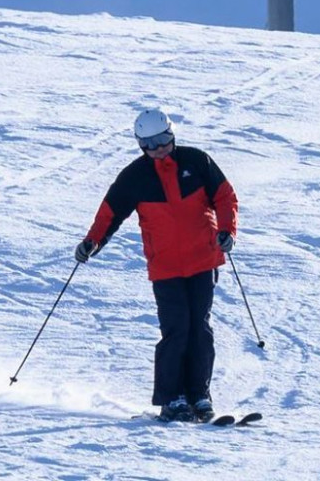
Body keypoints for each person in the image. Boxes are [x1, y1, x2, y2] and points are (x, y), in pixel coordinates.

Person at [74, 110, 239, 423]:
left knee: (199, 329)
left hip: (203, 258)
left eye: (163, 140)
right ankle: (172, 398)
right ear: (140, 145)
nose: (159, 148)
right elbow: (109, 214)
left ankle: (199, 396)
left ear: (172, 134)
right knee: (177, 329)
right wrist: (92, 242)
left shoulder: (196, 161)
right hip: (165, 266)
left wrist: (227, 231)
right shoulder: (135, 177)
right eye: (150, 144)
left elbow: (224, 196)